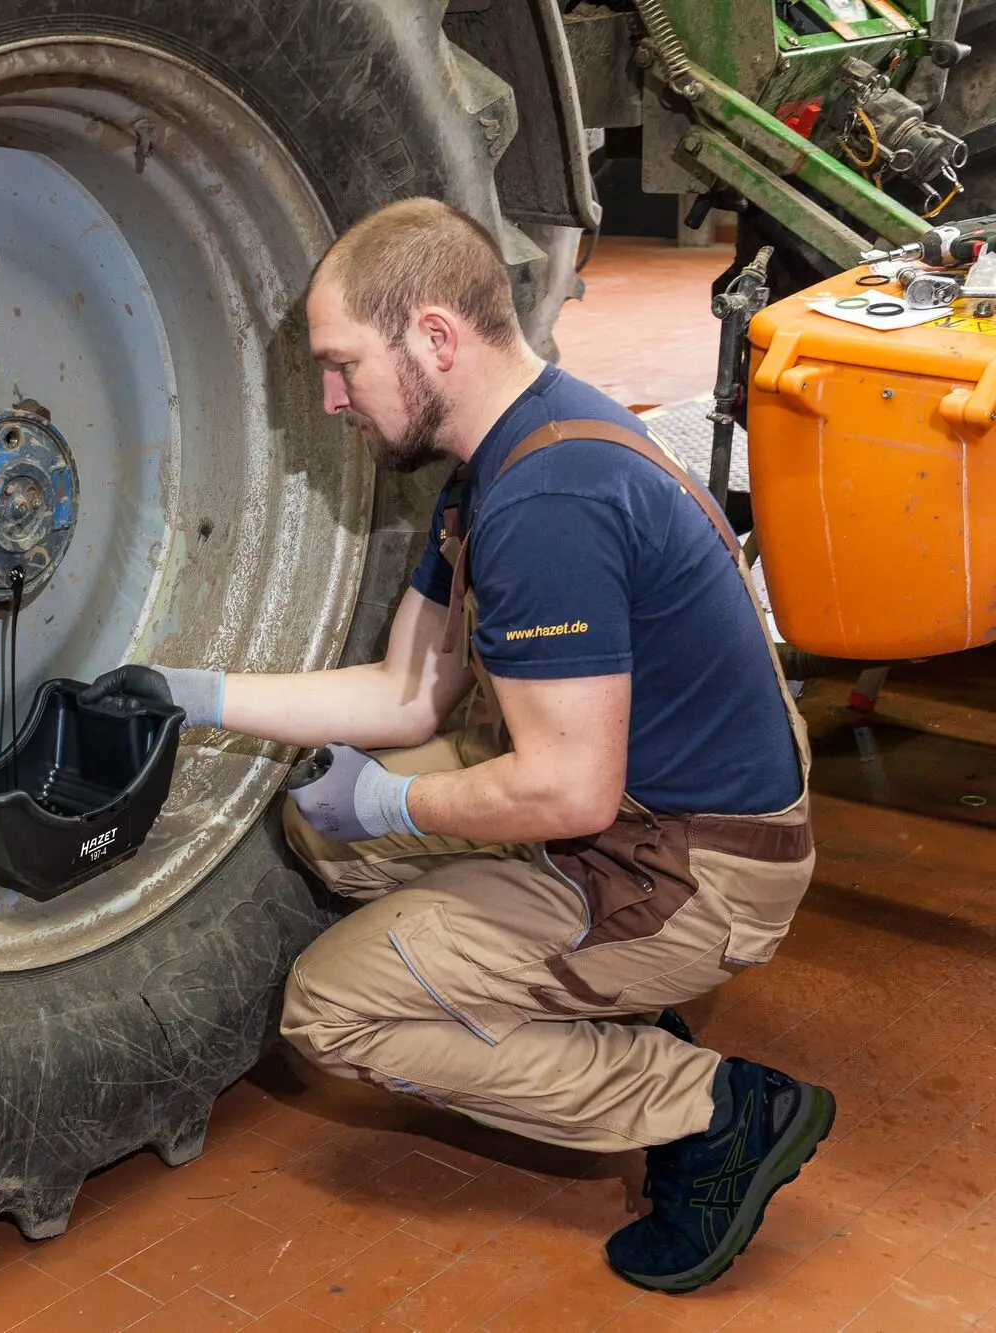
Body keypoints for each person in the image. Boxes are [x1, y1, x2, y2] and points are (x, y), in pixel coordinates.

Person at [82, 197, 830, 1294]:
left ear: (433, 336)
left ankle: (706, 1110)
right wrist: (190, 694)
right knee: (324, 828)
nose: (331, 399)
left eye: (342, 364)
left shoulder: (546, 502)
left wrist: (389, 805)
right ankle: (586, 998)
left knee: (331, 1009)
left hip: (692, 870)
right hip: (646, 809)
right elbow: (405, 692)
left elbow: (568, 792)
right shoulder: (504, 453)